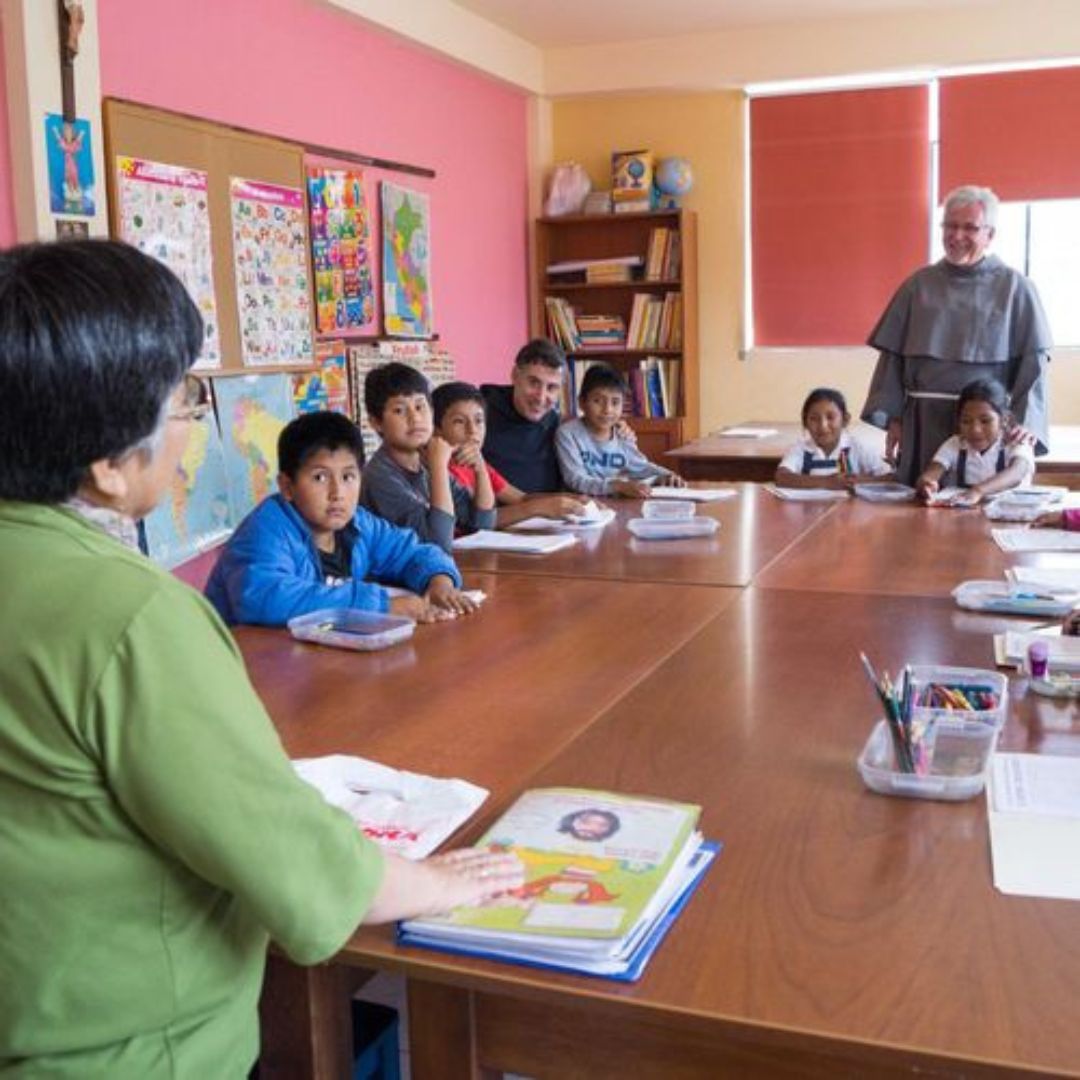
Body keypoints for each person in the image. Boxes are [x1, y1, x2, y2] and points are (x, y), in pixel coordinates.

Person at [0, 239, 522, 1077]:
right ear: (107, 463)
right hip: (126, 1054)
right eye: (181, 400)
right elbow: (291, 861)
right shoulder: (132, 615)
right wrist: (433, 882)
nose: (189, 424)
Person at [205, 411, 476, 626]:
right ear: (287, 486)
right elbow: (263, 597)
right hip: (245, 664)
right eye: (320, 477)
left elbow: (413, 551)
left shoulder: (359, 523)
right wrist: (381, 606)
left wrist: (439, 581)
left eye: (348, 477)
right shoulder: (266, 530)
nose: (337, 493)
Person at [861, 184, 1052, 486]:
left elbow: (1034, 368)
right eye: (950, 226)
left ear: (990, 234)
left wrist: (1026, 425)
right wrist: (894, 418)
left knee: (980, 504)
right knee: (922, 502)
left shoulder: (1016, 289)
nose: (957, 235)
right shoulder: (916, 287)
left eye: (970, 228)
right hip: (923, 423)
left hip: (985, 426)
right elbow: (892, 362)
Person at [361, 362, 496, 553]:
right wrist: (439, 467)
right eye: (399, 410)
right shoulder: (379, 476)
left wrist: (480, 470)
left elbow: (483, 524)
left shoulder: (425, 462)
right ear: (376, 422)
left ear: (431, 412)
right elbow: (437, 543)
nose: (415, 418)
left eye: (420, 406)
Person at [432, 380, 589, 526]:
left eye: (479, 421)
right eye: (459, 421)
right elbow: (479, 521)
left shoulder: (477, 463)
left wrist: (570, 499)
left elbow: (521, 498)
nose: (472, 430)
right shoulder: (439, 469)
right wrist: (539, 508)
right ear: (436, 429)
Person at [555, 363, 684, 497]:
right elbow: (575, 480)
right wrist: (617, 486)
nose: (607, 410)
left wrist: (667, 475)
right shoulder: (568, 434)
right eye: (597, 401)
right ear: (582, 402)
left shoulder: (622, 434)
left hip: (616, 504)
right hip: (579, 504)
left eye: (615, 402)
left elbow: (641, 467)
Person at [915, 378, 1034, 506]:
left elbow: (1017, 473)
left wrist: (978, 491)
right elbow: (932, 472)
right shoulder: (955, 444)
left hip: (1012, 512)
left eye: (985, 421)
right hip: (965, 514)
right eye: (966, 421)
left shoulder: (1017, 442)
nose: (975, 430)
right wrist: (926, 484)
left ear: (1004, 420)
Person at [775, 387, 892, 490]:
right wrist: (828, 482)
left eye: (830, 417)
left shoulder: (857, 447)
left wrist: (859, 481)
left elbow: (890, 477)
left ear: (845, 420)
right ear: (805, 423)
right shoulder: (801, 449)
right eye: (814, 419)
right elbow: (782, 477)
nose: (823, 426)